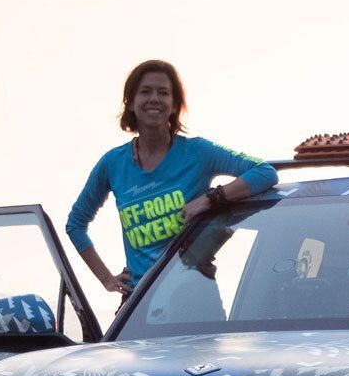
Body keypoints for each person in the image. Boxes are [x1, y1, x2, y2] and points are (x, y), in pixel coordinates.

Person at [66, 60, 278, 297]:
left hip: (195, 295)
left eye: (163, 93)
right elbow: (75, 224)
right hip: (139, 304)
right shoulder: (112, 164)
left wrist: (211, 199)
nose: (154, 98)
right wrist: (106, 278)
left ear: (175, 105)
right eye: (145, 91)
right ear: (131, 103)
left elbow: (264, 172)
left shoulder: (198, 152)